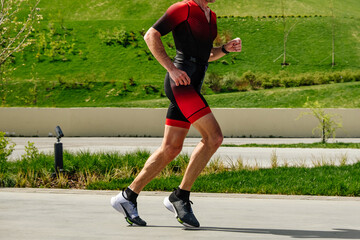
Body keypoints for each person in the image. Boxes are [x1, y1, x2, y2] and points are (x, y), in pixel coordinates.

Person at [111, 0, 242, 228]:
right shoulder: (183, 8)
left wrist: (223, 50)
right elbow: (151, 35)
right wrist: (171, 69)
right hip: (181, 85)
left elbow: (203, 56)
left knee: (171, 148)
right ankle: (180, 197)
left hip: (192, 83)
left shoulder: (211, 16)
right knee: (214, 138)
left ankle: (127, 196)